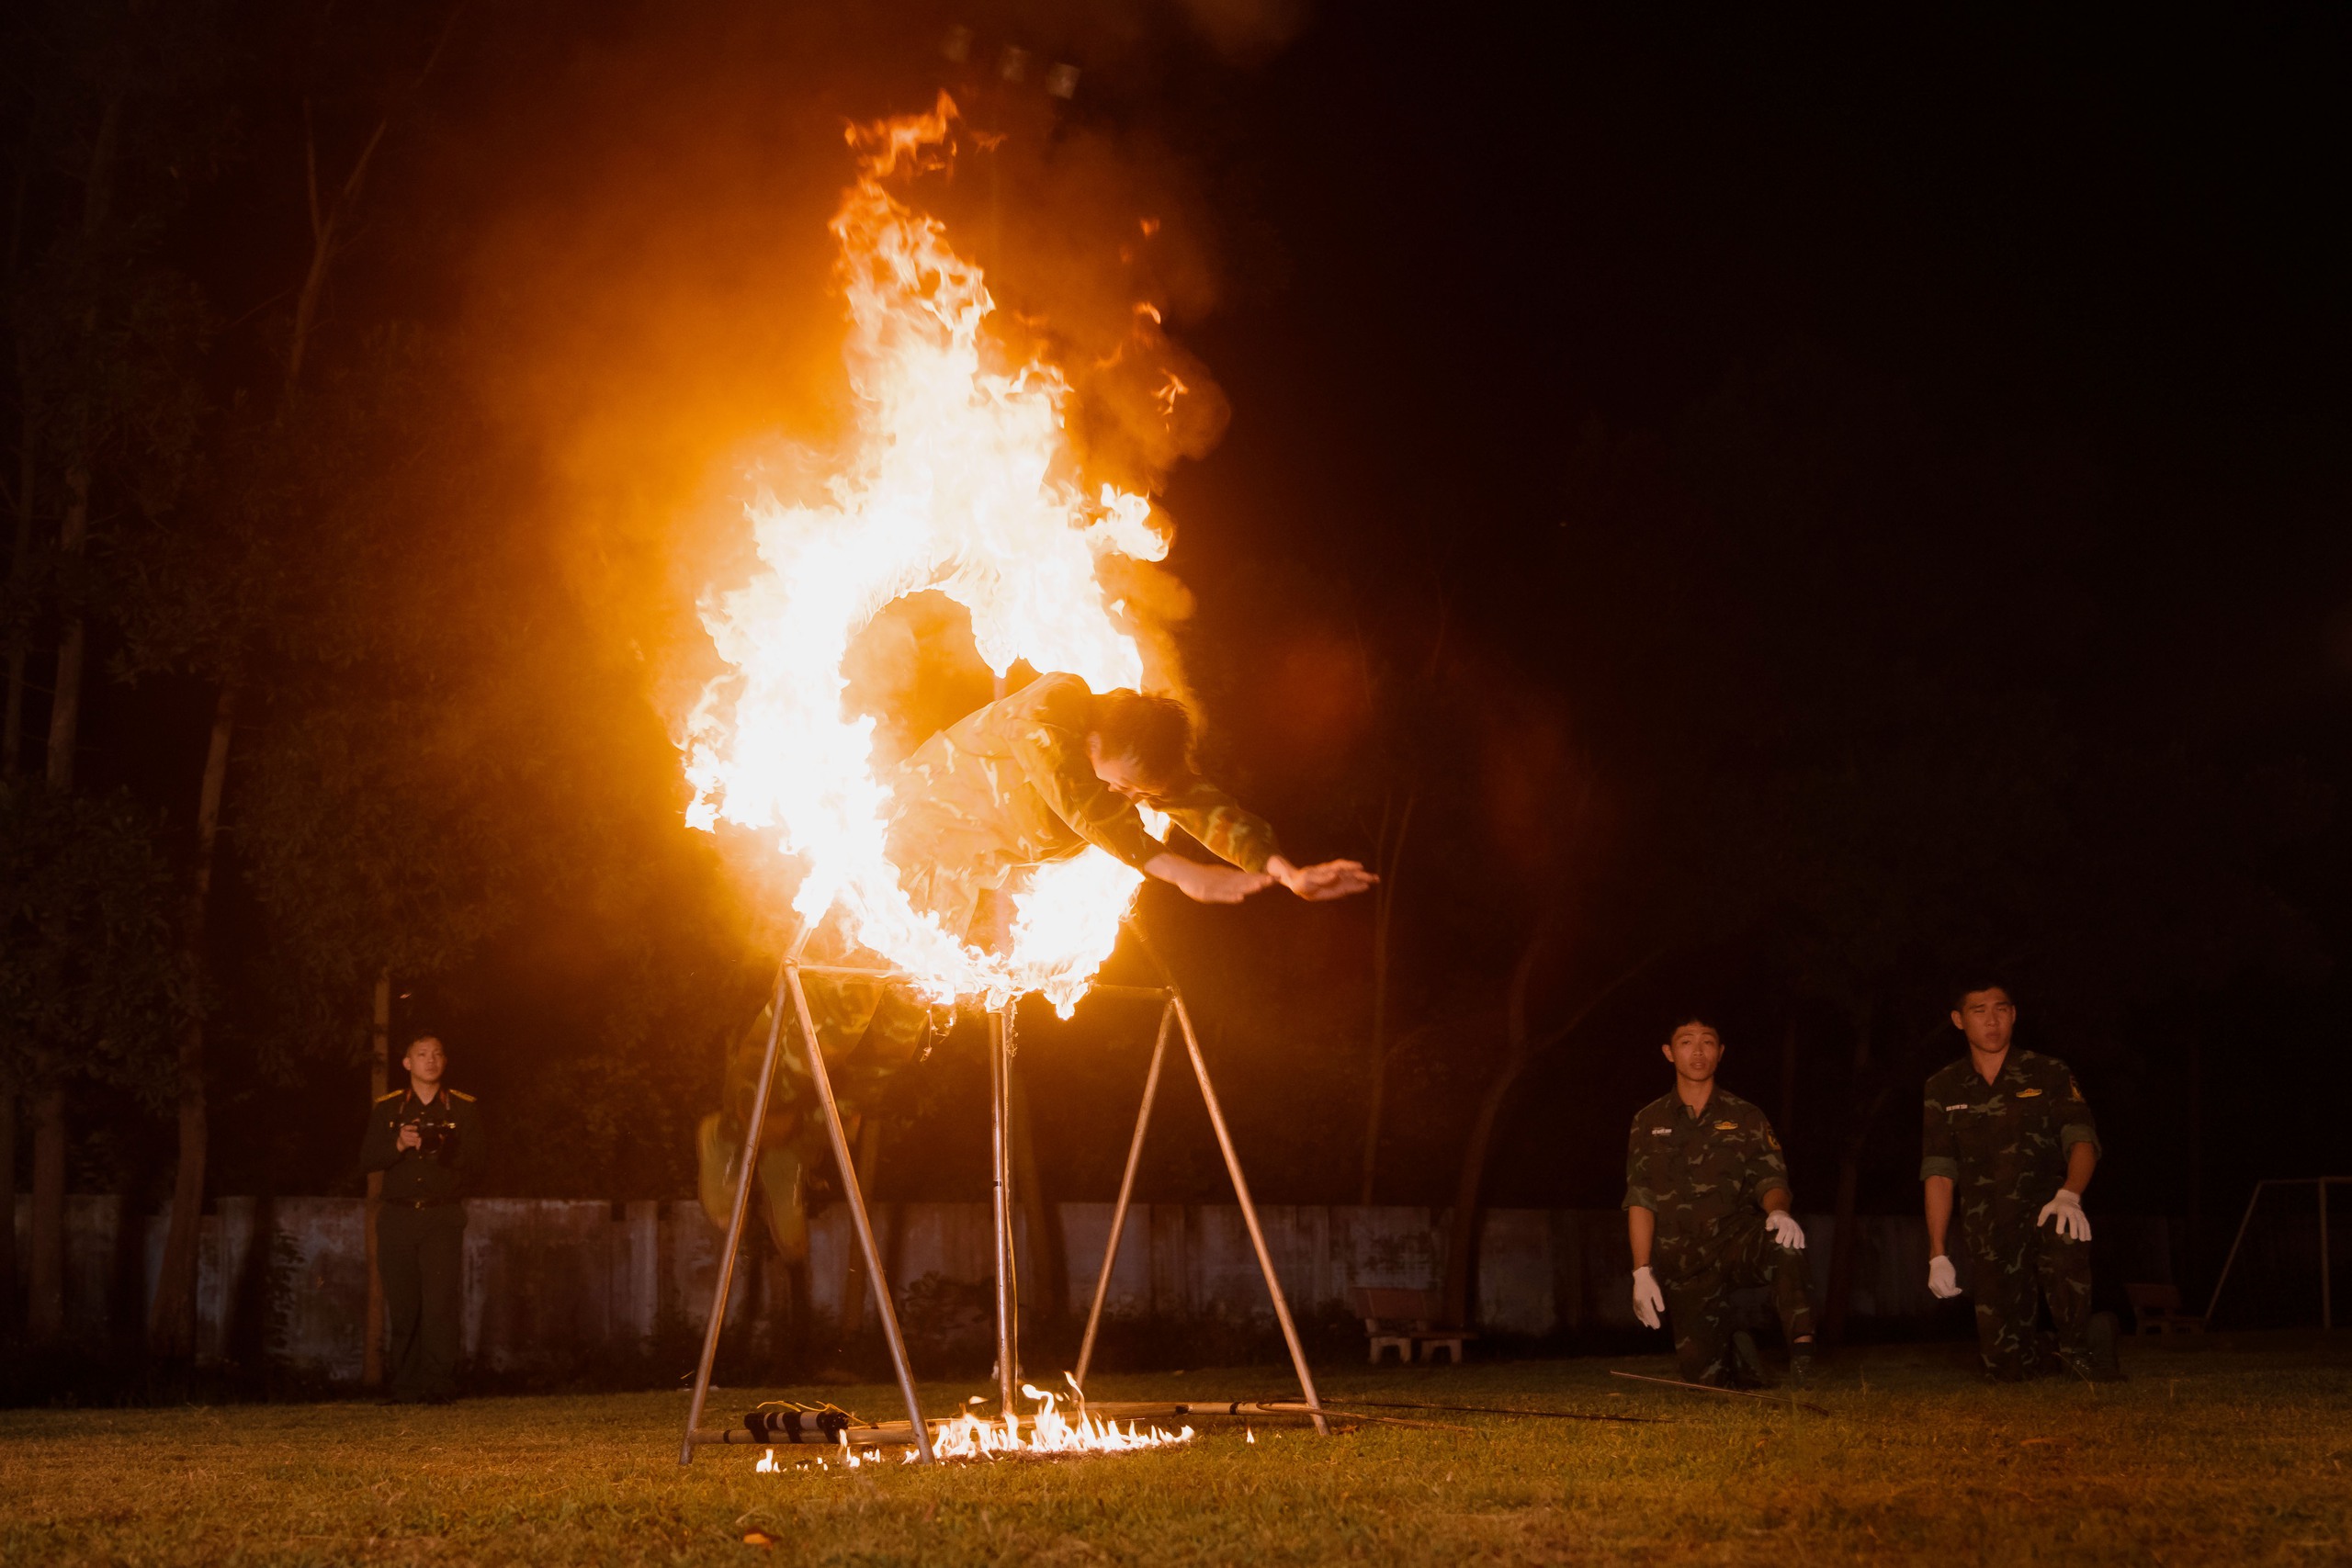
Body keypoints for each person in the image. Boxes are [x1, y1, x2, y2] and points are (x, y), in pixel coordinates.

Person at [697, 674, 1377, 1260]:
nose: (1127, 797)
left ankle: (798, 1149)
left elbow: (1203, 805)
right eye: (1120, 783)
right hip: (892, 853)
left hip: (955, 881)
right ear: (1095, 743)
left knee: (900, 1033)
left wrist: (1284, 871)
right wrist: (1176, 870)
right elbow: (1079, 800)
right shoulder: (1055, 709)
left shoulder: (1137, 762)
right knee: (837, 1013)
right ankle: (738, 1132)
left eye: (1138, 790)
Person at [1922, 982, 2120, 1382]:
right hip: (1988, 1225)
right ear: (1959, 1021)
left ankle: (2079, 1347)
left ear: (2014, 1014)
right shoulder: (1942, 1086)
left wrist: (2070, 1194)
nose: (1991, 1020)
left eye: (2001, 1008)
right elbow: (1939, 1170)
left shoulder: (2049, 1072)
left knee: (2066, 1240)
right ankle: (2049, 1351)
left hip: (2047, 1208)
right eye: (1979, 1011)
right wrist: (1937, 1253)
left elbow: (2082, 1140)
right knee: (2005, 1370)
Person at [1623, 1017, 1815, 1387]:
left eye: (1708, 1042)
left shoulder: (1745, 1115)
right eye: (1686, 1042)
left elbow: (1771, 1178)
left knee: (1785, 1246)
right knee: (1706, 1383)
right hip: (1684, 1262)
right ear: (1669, 1053)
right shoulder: (1647, 1121)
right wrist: (1641, 1270)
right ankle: (1738, 1355)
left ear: (1720, 1053)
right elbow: (1640, 1197)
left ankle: (1803, 1356)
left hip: (1735, 1242)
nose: (1698, 1051)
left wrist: (1778, 1210)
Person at [361, 1035, 481, 1404]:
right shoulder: (389, 1109)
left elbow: (479, 1164)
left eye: (438, 1054)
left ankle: (440, 1385)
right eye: (422, 1054)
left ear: (445, 1061)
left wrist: (448, 1150)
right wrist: (399, 1144)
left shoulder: (463, 1108)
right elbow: (367, 1159)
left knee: (441, 1302)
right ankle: (406, 1385)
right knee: (404, 1303)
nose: (431, 1060)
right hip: (397, 1216)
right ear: (407, 1063)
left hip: (441, 1215)